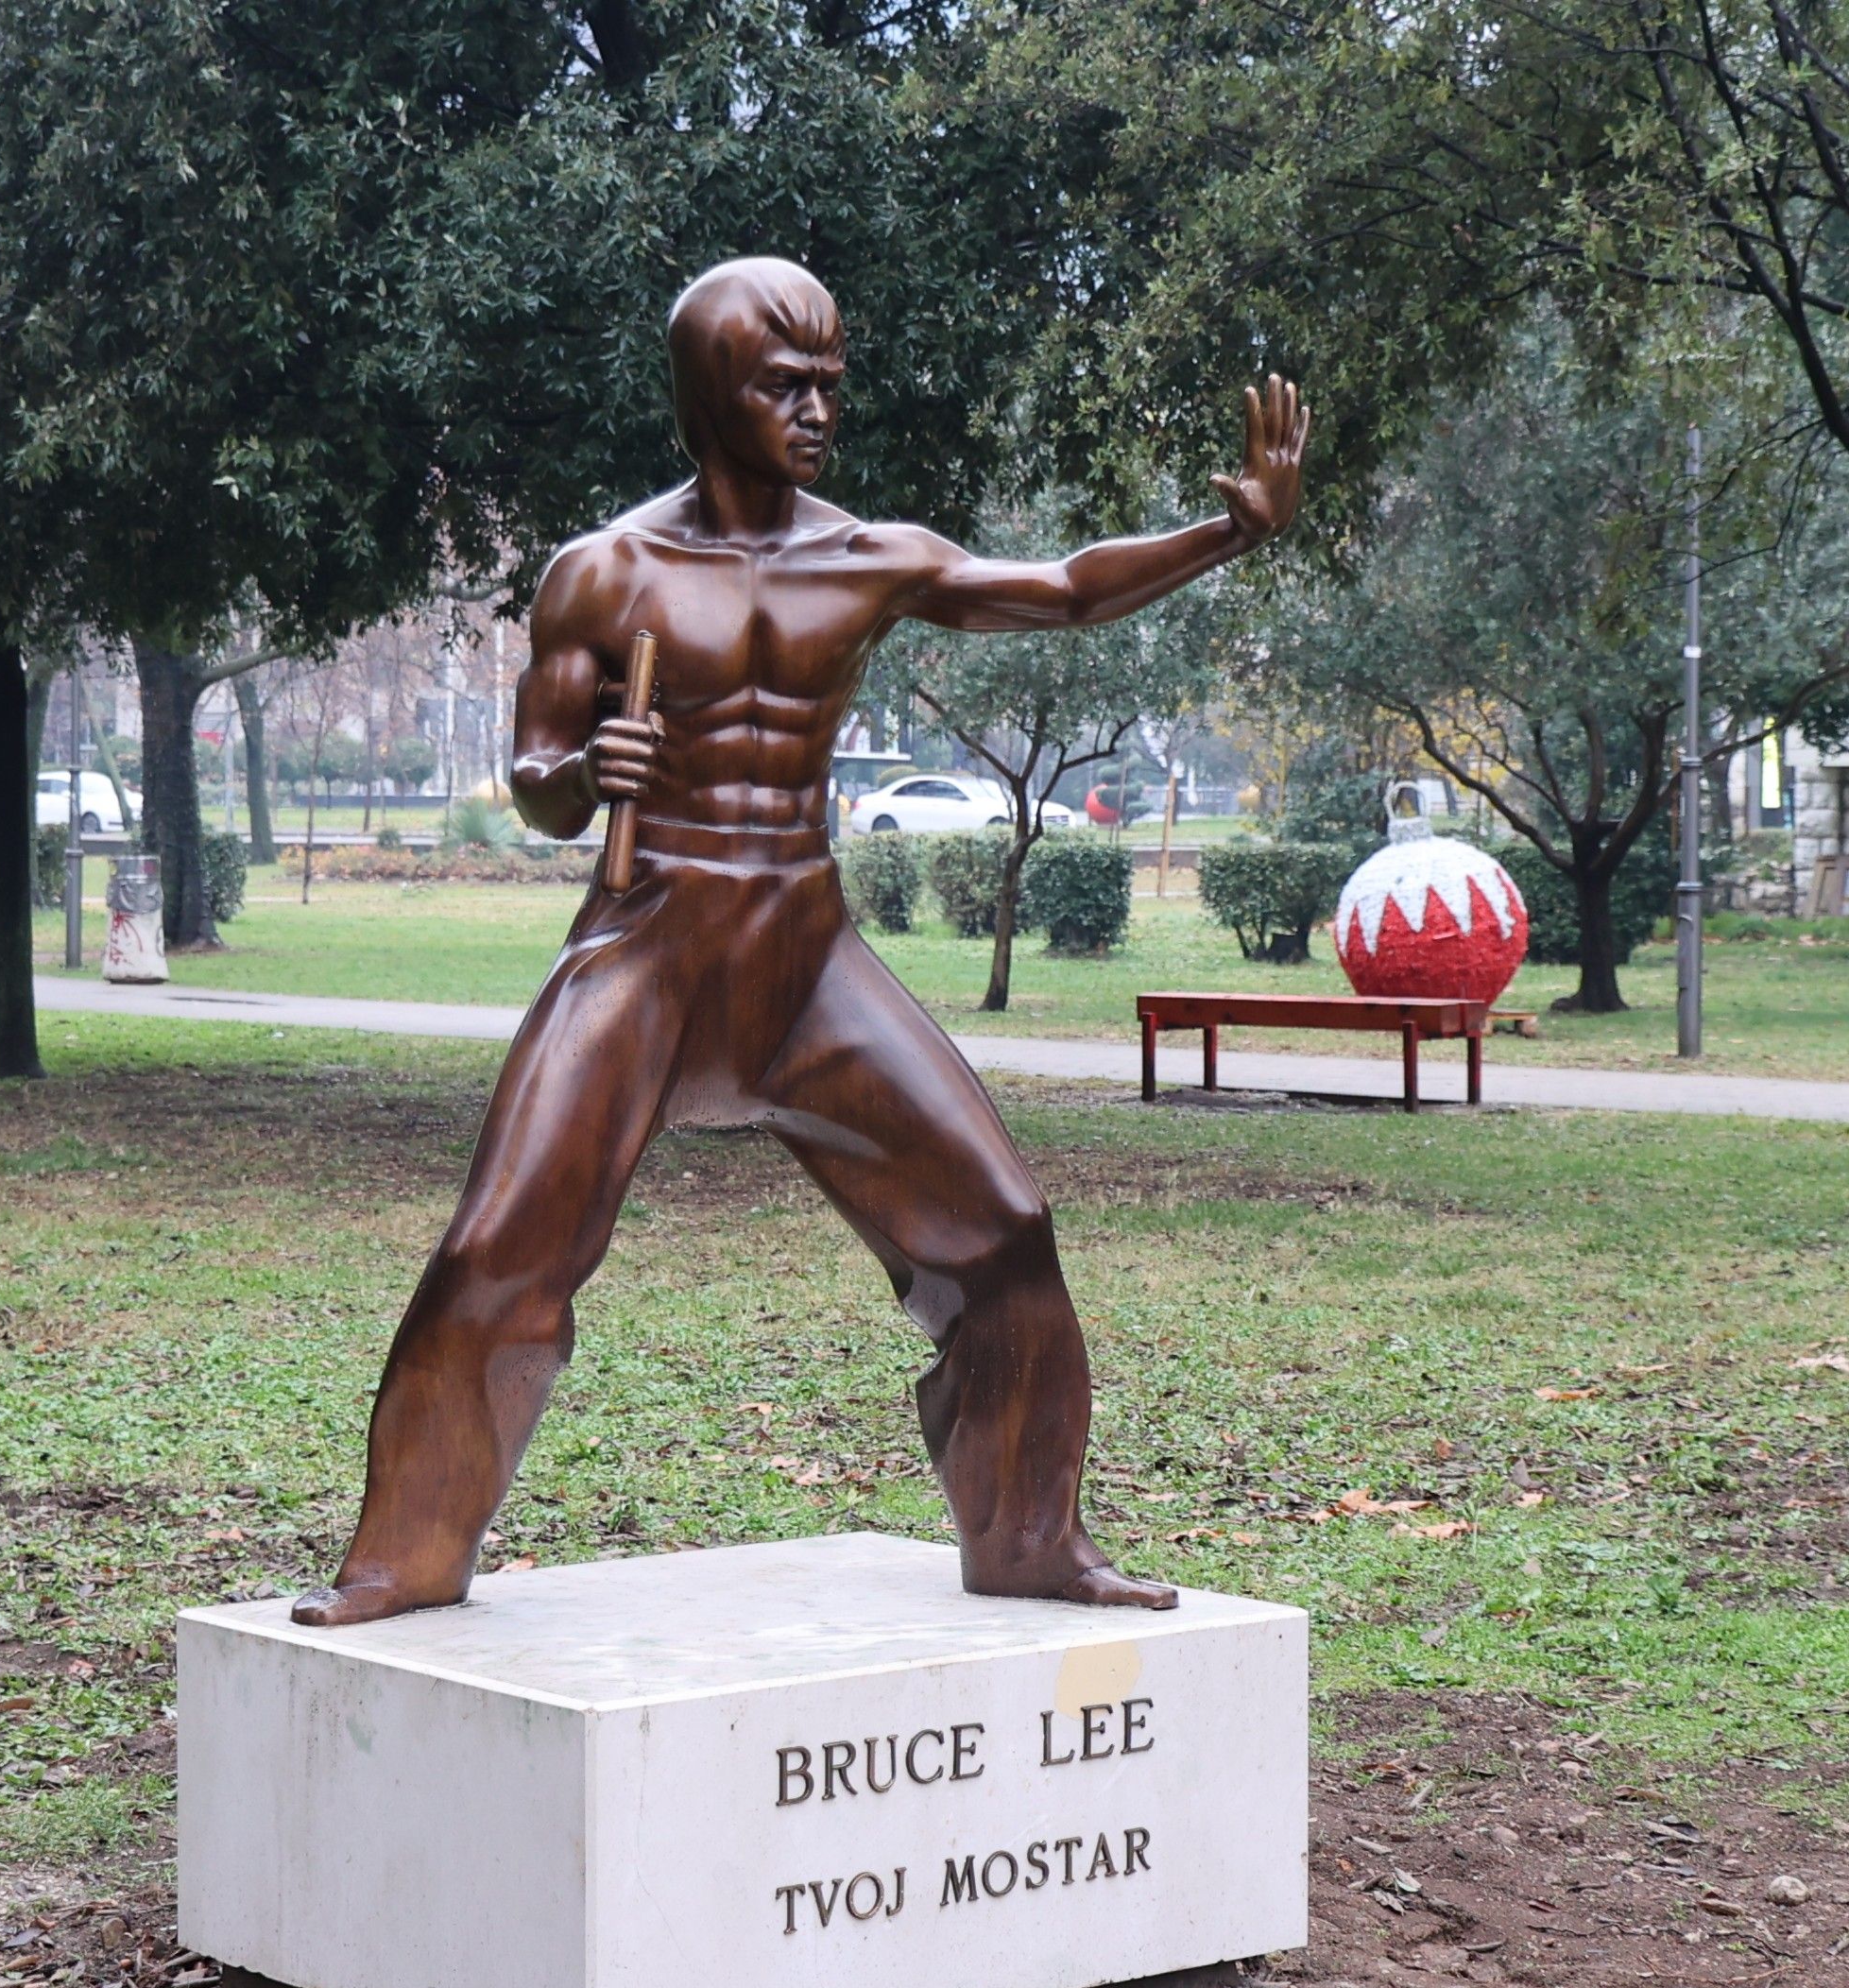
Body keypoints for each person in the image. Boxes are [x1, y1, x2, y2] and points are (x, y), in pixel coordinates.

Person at [293, 257, 1308, 1626]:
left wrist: (1226, 532)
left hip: (804, 954)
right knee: (499, 1248)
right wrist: (591, 763)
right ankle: (401, 1558)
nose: (820, 410)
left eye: (832, 383)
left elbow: (1061, 587)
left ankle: (1027, 1538)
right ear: (714, 395)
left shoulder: (864, 554)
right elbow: (536, 786)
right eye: (787, 386)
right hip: (651, 946)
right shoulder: (604, 574)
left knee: (1002, 1232)